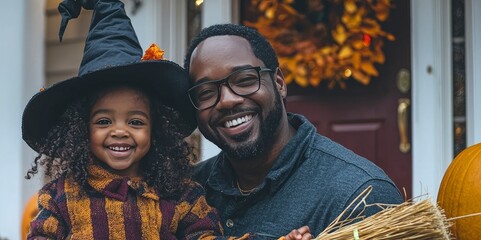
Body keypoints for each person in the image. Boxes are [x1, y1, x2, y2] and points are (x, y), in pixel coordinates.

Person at [21, 1, 311, 239]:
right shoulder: (62, 196)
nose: (120, 131)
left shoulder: (178, 193)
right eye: (104, 122)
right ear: (82, 131)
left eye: (135, 122)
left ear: (155, 130)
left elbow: (206, 236)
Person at [184, 24, 404, 238]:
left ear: (279, 83)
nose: (227, 101)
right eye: (206, 92)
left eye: (244, 80)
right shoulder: (185, 191)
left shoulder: (360, 196)